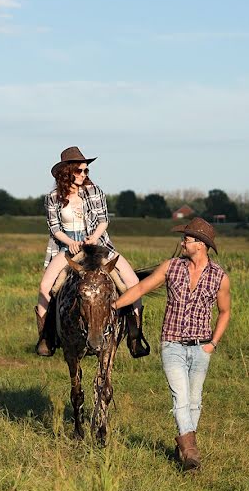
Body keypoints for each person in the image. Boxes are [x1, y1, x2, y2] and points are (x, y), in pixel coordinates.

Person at [113, 217, 231, 471]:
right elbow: (142, 287)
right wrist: (114, 305)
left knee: (195, 400)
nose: (182, 243)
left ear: (199, 244)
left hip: (201, 347)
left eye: (186, 239)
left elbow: (224, 312)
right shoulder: (171, 267)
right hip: (172, 345)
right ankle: (191, 454)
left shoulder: (220, 277)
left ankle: (185, 449)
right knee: (180, 398)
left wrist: (213, 343)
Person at [35, 146, 146, 357]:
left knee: (133, 283)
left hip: (97, 245)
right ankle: (46, 337)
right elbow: (54, 227)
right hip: (69, 248)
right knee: (45, 287)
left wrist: (94, 237)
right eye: (79, 170)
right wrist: (70, 242)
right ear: (67, 172)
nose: (84, 174)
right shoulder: (53, 197)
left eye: (86, 170)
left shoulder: (95, 191)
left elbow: (104, 220)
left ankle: (135, 335)